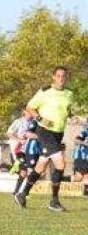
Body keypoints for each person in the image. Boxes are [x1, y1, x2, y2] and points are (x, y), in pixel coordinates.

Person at [14, 66, 74, 211]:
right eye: (58, 75)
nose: (61, 78)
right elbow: (29, 107)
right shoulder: (45, 91)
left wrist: (73, 116)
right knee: (60, 164)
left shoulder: (69, 94)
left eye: (63, 76)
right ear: (53, 77)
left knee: (41, 165)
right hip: (45, 131)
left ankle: (22, 194)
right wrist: (40, 118)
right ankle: (54, 201)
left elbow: (66, 110)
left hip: (58, 133)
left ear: (66, 78)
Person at [11, 113, 40, 200]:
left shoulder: (35, 122)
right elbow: (9, 133)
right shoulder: (19, 122)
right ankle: (21, 192)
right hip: (21, 150)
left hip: (32, 150)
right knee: (27, 170)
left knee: (25, 171)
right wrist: (19, 139)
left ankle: (18, 192)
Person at [69, 122, 87, 196]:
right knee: (79, 178)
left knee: (86, 175)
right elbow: (76, 140)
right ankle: (68, 179)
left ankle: (86, 191)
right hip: (81, 157)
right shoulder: (85, 131)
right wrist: (85, 143)